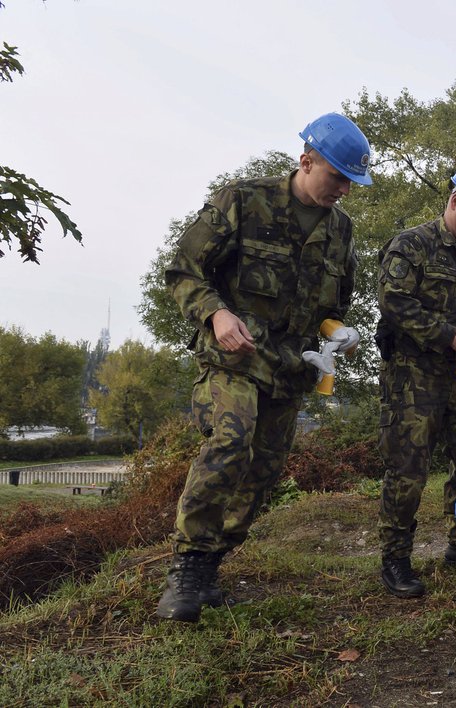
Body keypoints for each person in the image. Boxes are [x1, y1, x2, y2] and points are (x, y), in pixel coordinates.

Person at [157, 112, 372, 622]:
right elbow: (182, 269)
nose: (343, 189)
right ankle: (186, 568)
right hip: (234, 358)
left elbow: (333, 309)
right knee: (231, 441)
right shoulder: (243, 200)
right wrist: (217, 313)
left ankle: (210, 568)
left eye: (350, 181)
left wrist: (338, 336)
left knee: (264, 472)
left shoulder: (341, 231)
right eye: (337, 176)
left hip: (290, 370)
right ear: (306, 160)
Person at [375, 161, 456, 598]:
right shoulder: (412, 245)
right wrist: (448, 334)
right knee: (408, 470)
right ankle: (396, 558)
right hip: (412, 379)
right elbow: (393, 302)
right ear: (455, 200)